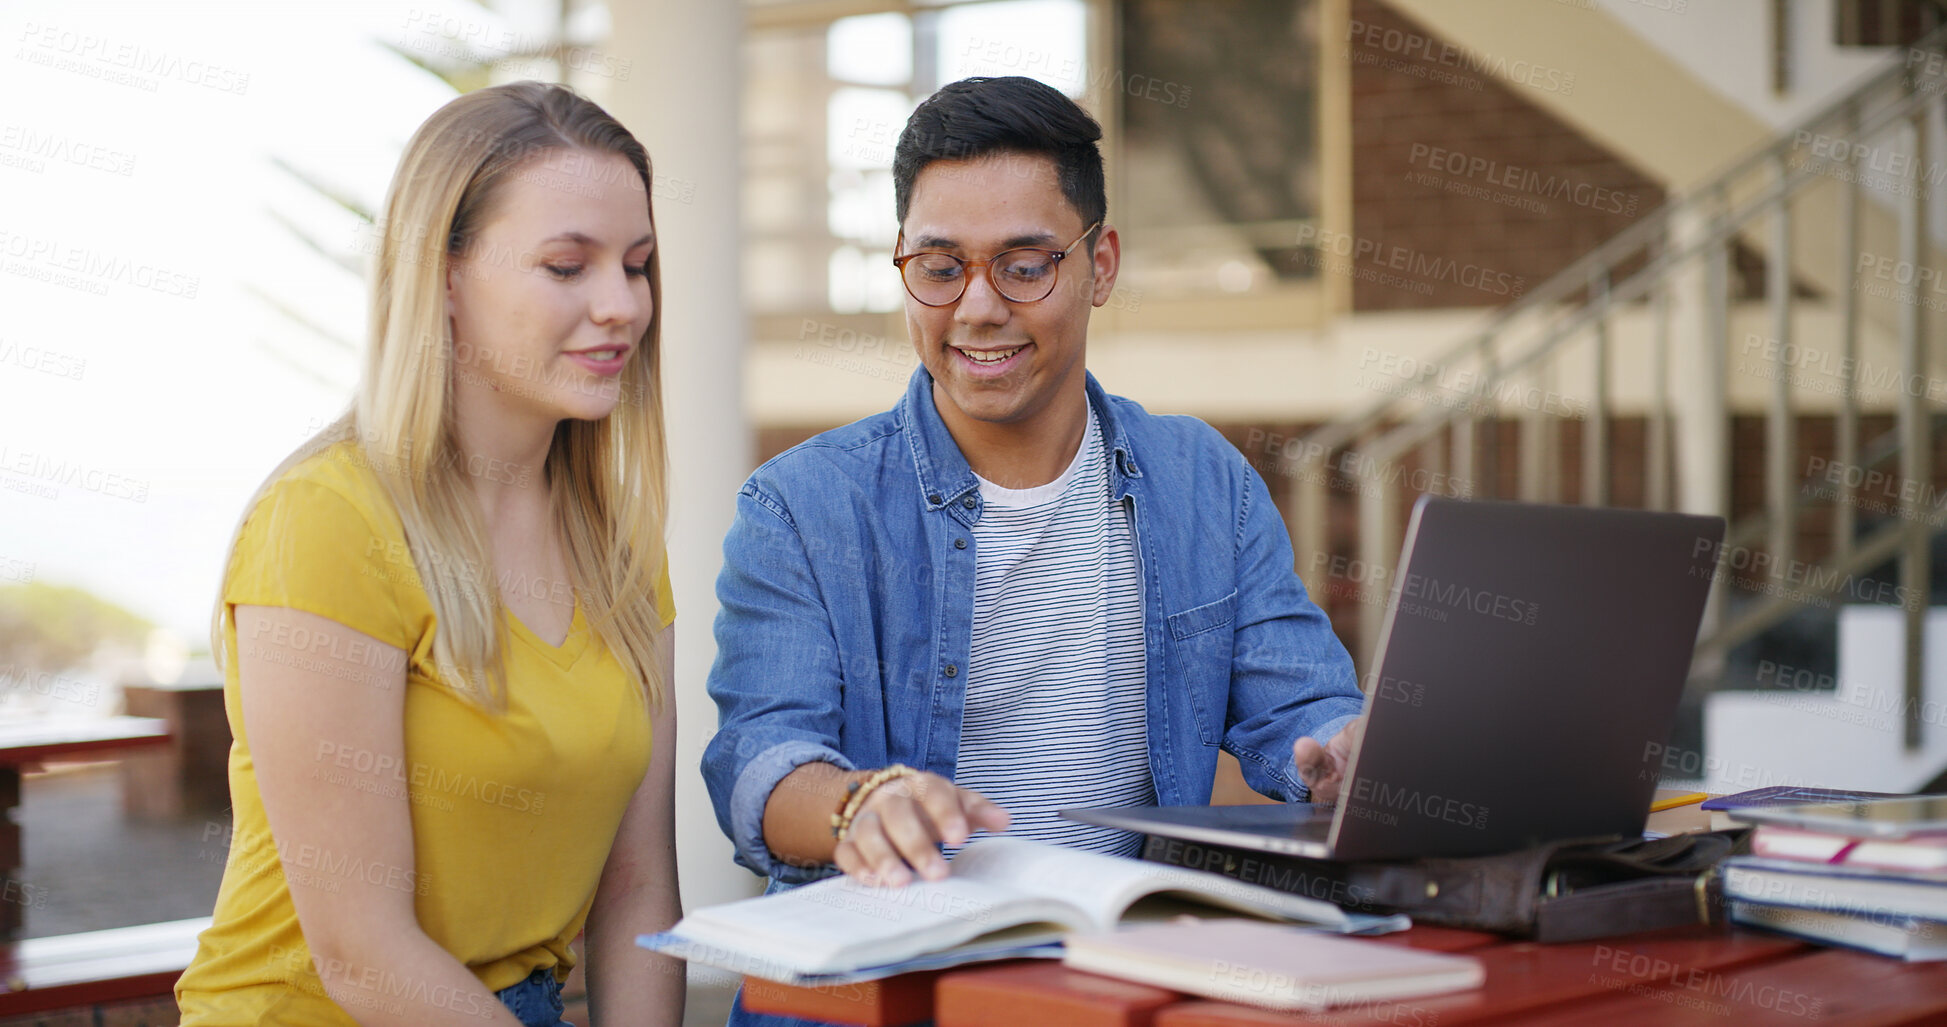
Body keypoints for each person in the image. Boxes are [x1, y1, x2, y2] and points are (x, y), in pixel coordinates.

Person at [702, 75, 1364, 1025]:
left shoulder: (1202, 482)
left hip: (1114, 986)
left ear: (1100, 265)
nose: (977, 307)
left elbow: (1304, 705)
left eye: (1023, 265)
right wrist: (858, 804)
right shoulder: (802, 506)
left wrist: (1346, 749)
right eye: (940, 267)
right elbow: (758, 758)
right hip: (883, 996)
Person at [175, 82, 683, 1027]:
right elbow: (363, 952)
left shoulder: (617, 543)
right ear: (443, 277)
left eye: (637, 265)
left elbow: (639, 888)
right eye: (567, 266)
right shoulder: (326, 521)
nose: (621, 305)